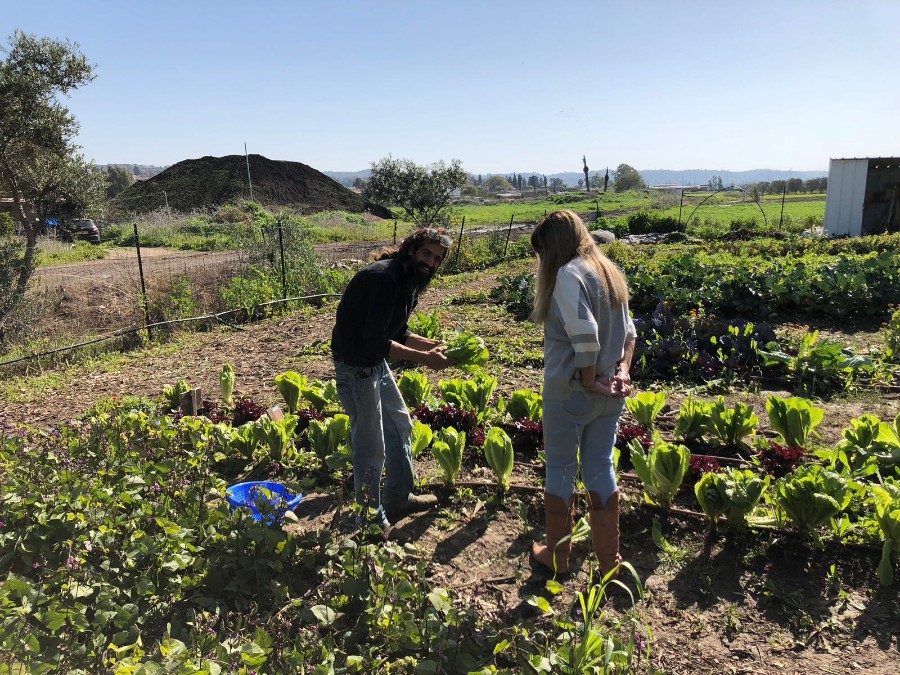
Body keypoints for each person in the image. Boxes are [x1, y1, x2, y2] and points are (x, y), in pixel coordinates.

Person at [529, 210, 636, 577]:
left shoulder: (568, 274)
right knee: (600, 467)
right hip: (610, 393)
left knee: (560, 468)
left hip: (571, 391)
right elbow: (630, 334)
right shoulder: (608, 271)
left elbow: (586, 336)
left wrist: (589, 379)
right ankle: (609, 562)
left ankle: (558, 558)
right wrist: (621, 372)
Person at [331, 227, 456, 538]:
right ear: (411, 250)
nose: (431, 262)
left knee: (401, 425)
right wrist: (425, 359)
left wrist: (434, 345)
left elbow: (398, 332)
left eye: (437, 259)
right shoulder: (385, 279)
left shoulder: (409, 282)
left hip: (373, 362)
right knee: (371, 447)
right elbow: (375, 340)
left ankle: (399, 497)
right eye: (426, 253)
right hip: (356, 366)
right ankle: (369, 519)